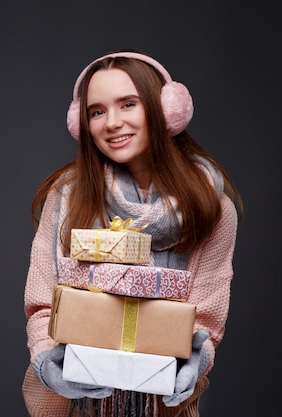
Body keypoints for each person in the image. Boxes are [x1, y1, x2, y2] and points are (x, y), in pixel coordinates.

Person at [21, 50, 243, 417]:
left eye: (128, 104)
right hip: (72, 409)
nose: (112, 122)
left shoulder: (211, 208)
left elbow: (204, 320)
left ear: (166, 110)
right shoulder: (66, 197)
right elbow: (44, 305)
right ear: (83, 123)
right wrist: (49, 365)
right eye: (97, 111)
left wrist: (194, 362)